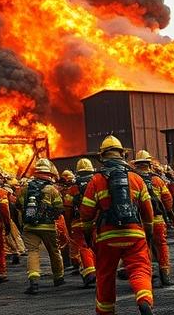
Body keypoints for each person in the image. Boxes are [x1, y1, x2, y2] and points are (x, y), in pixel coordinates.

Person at [79, 135, 155, 315]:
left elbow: (86, 212)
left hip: (107, 237)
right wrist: (148, 231)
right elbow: (148, 210)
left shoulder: (96, 180)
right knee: (140, 269)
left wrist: (89, 234)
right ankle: (144, 300)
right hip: (134, 234)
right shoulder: (136, 179)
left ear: (102, 156)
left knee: (105, 276)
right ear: (123, 155)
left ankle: (106, 312)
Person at [16, 158, 65, 294]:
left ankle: (34, 280)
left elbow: (19, 205)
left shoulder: (25, 187)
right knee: (54, 251)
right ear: (49, 173)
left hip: (29, 226)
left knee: (32, 252)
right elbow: (60, 208)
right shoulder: (52, 189)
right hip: (48, 227)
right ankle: (58, 277)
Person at [132, 150, 174, 287]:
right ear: (149, 163)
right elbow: (167, 199)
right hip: (157, 220)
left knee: (144, 248)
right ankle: (165, 274)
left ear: (136, 164)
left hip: (140, 222)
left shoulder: (132, 179)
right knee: (161, 245)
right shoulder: (157, 179)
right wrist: (169, 212)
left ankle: (150, 275)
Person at [65, 158, 97, 287]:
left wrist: (68, 225)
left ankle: (89, 272)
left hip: (78, 223)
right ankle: (96, 271)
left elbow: (68, 208)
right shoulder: (96, 182)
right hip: (96, 221)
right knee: (96, 246)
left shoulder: (73, 188)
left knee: (84, 247)